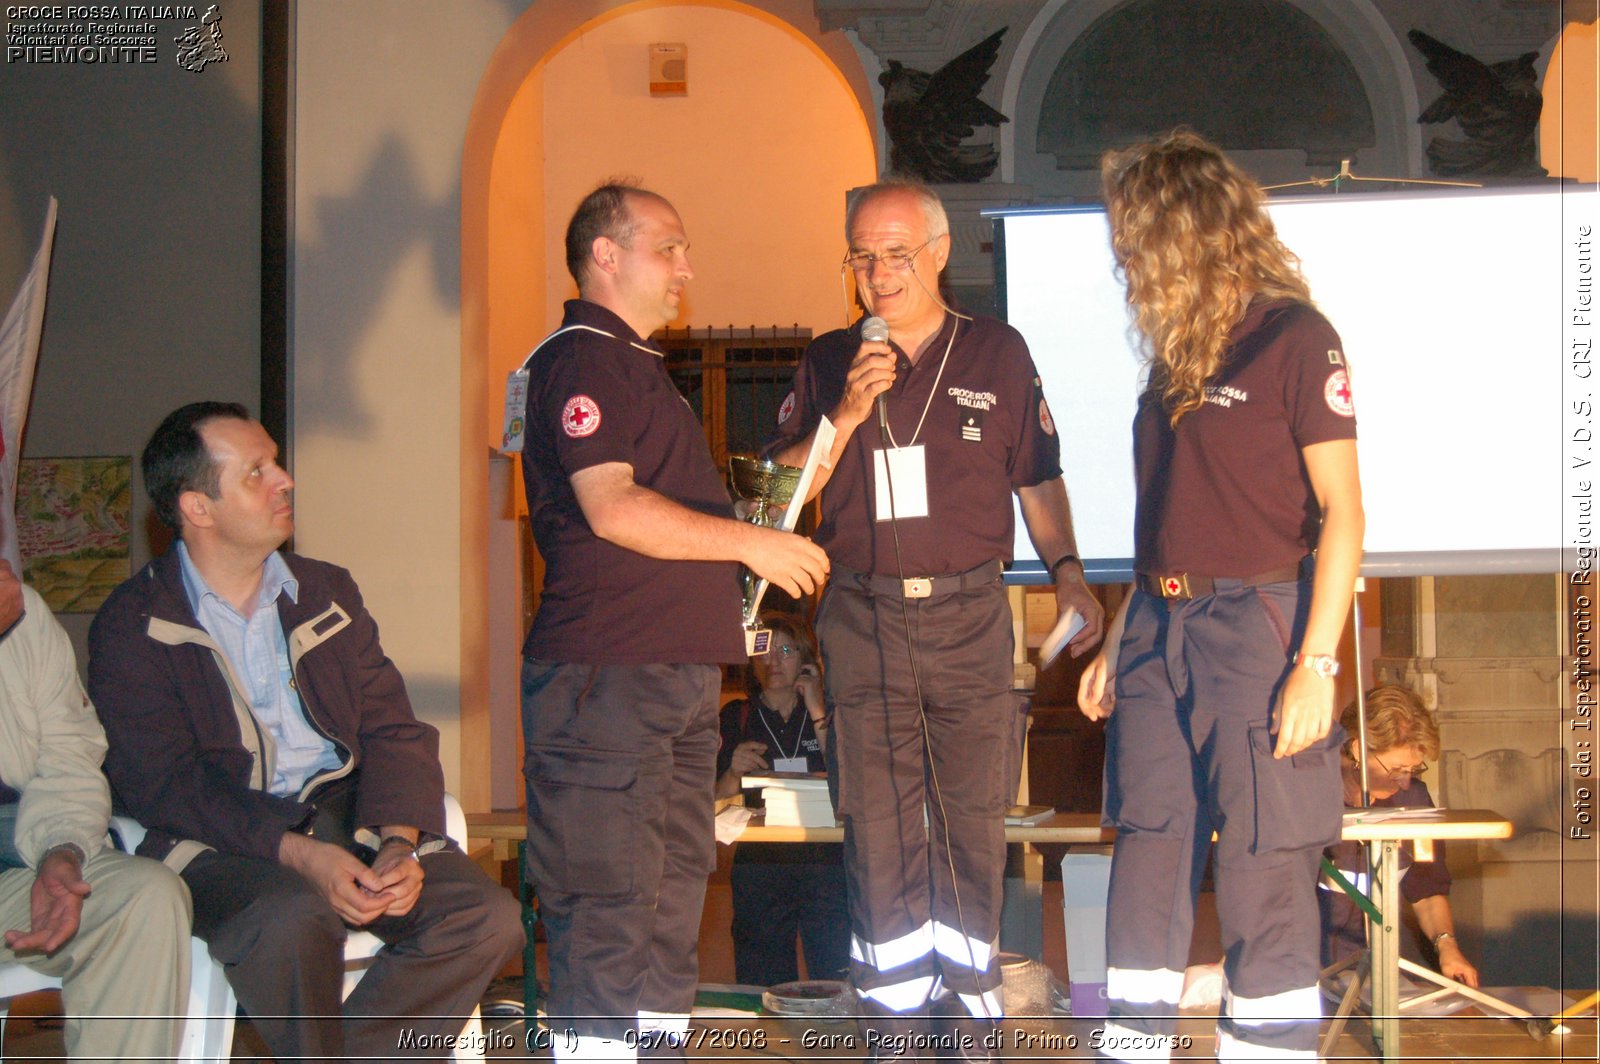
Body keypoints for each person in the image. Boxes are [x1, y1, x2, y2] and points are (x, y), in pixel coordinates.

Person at [767, 176, 1103, 1058]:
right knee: (877, 831)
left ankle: (971, 1019)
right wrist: (845, 411)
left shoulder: (997, 350)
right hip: (862, 620)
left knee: (972, 820)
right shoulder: (827, 357)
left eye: (897, 254)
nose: (879, 274)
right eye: (862, 257)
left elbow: (1037, 476)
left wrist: (1067, 570)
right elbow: (780, 498)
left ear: (941, 253)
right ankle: (893, 1027)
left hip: (968, 619)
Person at [87, 402, 523, 1064]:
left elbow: (393, 731)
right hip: (218, 845)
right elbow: (162, 782)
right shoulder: (135, 624)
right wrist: (295, 852)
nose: (284, 480)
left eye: (277, 463)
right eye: (256, 472)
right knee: (292, 919)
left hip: (346, 822)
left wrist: (399, 844)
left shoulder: (325, 591)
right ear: (197, 508)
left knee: (485, 918)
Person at [518, 182, 828, 1061]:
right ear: (605, 255)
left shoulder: (636, 366)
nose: (687, 266)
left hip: (673, 681)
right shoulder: (583, 360)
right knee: (611, 908)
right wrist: (753, 546)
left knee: (666, 907)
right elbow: (612, 508)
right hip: (608, 682)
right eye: (669, 246)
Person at [1078, 130, 1364, 1063]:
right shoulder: (1173, 357)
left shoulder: (1294, 337)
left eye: (1135, 238)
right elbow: (1168, 515)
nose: (1124, 257)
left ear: (1185, 233)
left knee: (1261, 864)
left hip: (1259, 623)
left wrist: (1317, 664)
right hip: (1160, 626)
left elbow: (1345, 512)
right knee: (1149, 846)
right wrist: (1125, 634)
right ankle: (1132, 1045)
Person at [0, 560, 192, 1062]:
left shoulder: (22, 612)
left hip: (13, 859)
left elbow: (70, 754)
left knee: (143, 897)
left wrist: (61, 849)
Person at [714, 613, 849, 988]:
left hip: (826, 861)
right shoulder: (736, 716)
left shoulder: (826, 713)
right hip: (761, 865)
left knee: (835, 972)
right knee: (763, 979)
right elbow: (711, 800)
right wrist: (732, 773)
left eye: (786, 651)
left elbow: (849, 777)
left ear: (805, 658)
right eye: (764, 651)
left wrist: (817, 704)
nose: (774, 662)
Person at [1322, 684, 1479, 987]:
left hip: (1375, 975)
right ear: (1358, 749)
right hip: (1307, 969)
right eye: (1396, 769)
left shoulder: (1414, 802)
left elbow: (1427, 889)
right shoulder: (1308, 793)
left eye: (1413, 769)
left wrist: (1447, 946)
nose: (1405, 782)